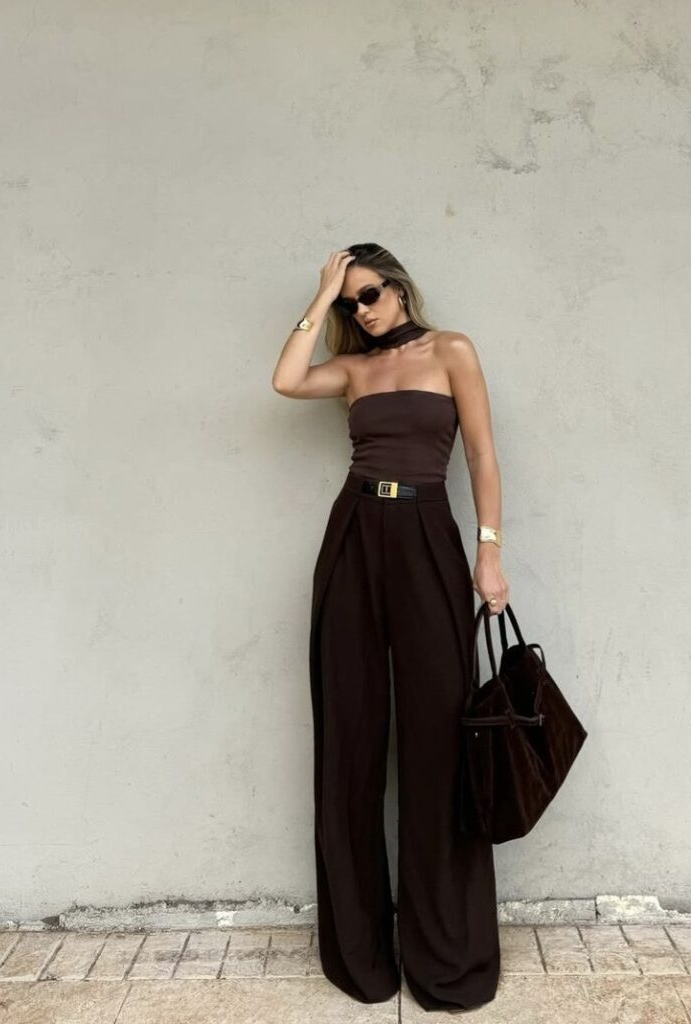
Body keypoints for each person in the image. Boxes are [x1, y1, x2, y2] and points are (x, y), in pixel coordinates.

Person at [271, 243, 509, 1013]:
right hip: (353, 533)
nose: (362, 311)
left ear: (399, 287)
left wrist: (488, 552)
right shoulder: (351, 369)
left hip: (426, 531)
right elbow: (285, 380)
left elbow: (481, 453)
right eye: (351, 303)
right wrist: (321, 296)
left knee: (439, 736)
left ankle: (444, 953)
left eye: (369, 294)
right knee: (350, 733)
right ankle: (361, 954)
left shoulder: (451, 350)